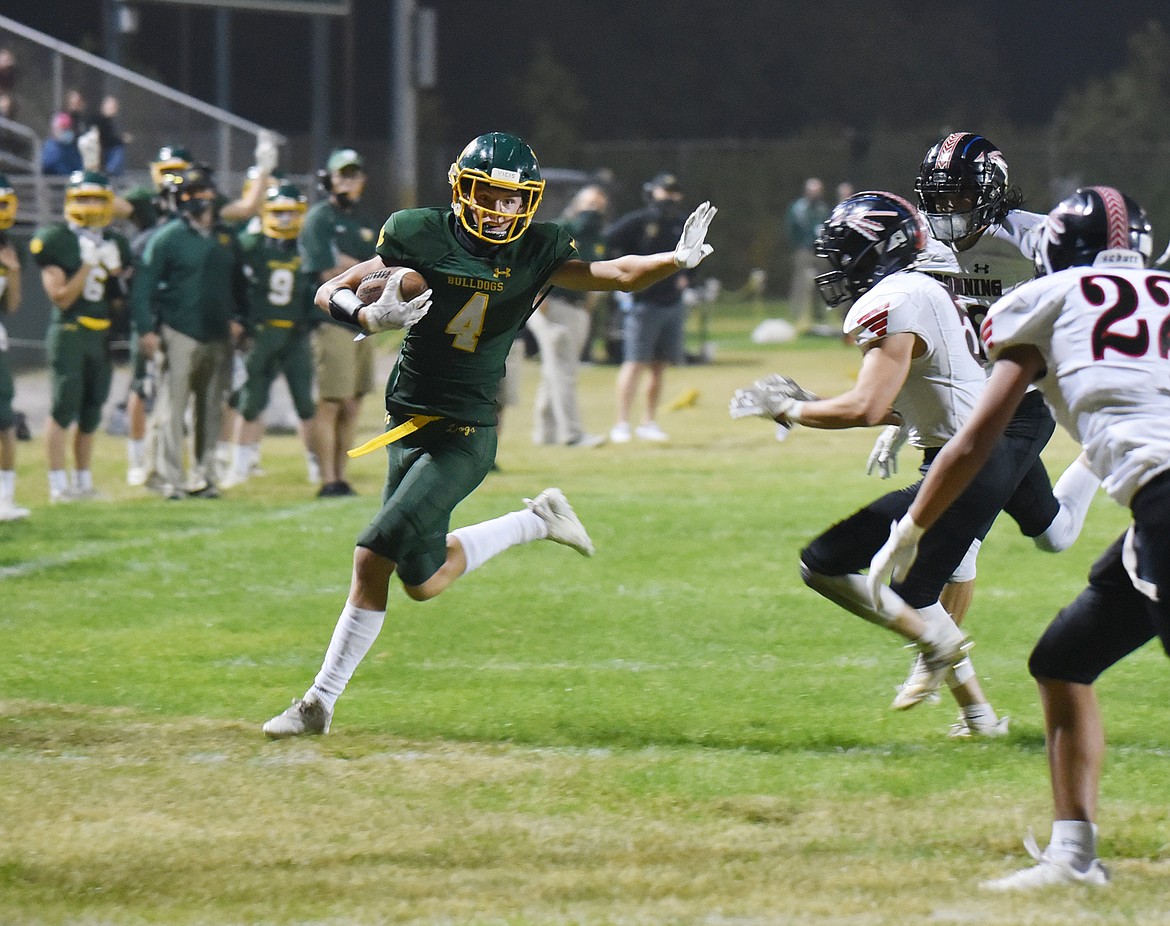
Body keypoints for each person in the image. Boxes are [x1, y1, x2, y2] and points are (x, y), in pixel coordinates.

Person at [262, 131, 716, 738]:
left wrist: (675, 261)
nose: (503, 211)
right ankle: (537, 520)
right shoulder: (420, 235)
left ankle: (318, 703)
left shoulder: (536, 251)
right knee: (421, 580)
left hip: (465, 431)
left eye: (514, 200)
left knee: (372, 553)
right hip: (407, 419)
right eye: (491, 196)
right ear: (461, 189)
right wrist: (370, 314)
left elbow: (618, 272)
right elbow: (329, 291)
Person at [868, 186, 1159, 891]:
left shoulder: (1047, 299)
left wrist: (910, 527)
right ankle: (1074, 857)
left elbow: (973, 441)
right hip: (1155, 512)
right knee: (1063, 660)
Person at [732, 191, 1018, 736]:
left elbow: (864, 407)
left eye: (844, 253)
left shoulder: (896, 297)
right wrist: (810, 405)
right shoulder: (921, 289)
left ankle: (935, 646)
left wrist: (790, 407)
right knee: (923, 587)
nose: (835, 267)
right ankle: (978, 716)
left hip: (960, 466)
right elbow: (897, 401)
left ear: (876, 251)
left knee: (822, 563)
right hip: (977, 459)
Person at [872, 133, 1101, 720]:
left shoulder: (1036, 238)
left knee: (954, 533)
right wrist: (902, 410)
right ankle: (1095, 459)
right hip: (961, 400)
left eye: (960, 197)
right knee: (1052, 534)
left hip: (1024, 402)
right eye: (937, 198)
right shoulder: (922, 244)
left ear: (992, 195)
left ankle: (939, 659)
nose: (946, 212)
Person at [130, 165, 247, 500]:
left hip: (218, 331)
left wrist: (242, 319)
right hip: (179, 329)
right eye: (190, 194)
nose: (196, 200)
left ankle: (205, 476)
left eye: (200, 192)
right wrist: (146, 329)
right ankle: (168, 478)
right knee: (172, 407)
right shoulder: (168, 237)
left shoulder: (226, 237)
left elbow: (240, 284)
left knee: (211, 408)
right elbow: (143, 287)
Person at [29, 170, 131, 502]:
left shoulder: (114, 241)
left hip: (100, 335)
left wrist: (115, 276)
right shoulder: (57, 238)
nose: (90, 205)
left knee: (91, 411)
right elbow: (59, 296)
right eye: (83, 198)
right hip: (70, 331)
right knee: (63, 408)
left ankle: (83, 482)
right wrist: (87, 264)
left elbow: (116, 302)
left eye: (97, 199)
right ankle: (59, 485)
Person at [220, 182, 318, 487]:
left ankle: (317, 465)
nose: (286, 219)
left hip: (296, 334)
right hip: (260, 333)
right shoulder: (250, 244)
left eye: (291, 213)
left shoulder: (307, 246)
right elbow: (232, 285)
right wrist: (238, 319)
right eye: (279, 213)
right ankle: (240, 465)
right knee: (250, 401)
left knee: (305, 403)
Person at [298, 148, 378, 497]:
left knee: (354, 402)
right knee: (331, 402)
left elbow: (383, 269)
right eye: (342, 174)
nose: (349, 181)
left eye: (354, 174)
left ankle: (342, 476)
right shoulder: (319, 218)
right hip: (331, 320)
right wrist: (366, 268)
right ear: (328, 179)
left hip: (364, 321)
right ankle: (327, 478)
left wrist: (357, 267)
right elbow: (328, 270)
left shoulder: (366, 220)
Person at [607, 172, 699, 443]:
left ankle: (648, 421)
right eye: (664, 191)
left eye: (674, 192)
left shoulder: (683, 224)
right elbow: (609, 242)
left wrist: (687, 278)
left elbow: (697, 254)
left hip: (672, 302)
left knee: (659, 366)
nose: (669, 197)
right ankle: (621, 423)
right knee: (634, 363)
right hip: (643, 303)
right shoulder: (639, 221)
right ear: (652, 192)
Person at [526, 183, 609, 448]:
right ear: (577, 204)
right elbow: (531, 262)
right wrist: (538, 296)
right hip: (550, 302)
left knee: (556, 370)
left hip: (577, 307)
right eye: (590, 204)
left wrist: (590, 300)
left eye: (599, 206)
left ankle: (545, 433)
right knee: (565, 368)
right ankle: (572, 434)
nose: (594, 211)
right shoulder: (560, 229)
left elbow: (597, 269)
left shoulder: (596, 236)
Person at [0, 174, 28, 520]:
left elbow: (12, 306)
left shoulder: (8, 246)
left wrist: (15, 272)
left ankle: (4, 500)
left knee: (4, 421)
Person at [784, 177, 832, 336]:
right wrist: (798, 245)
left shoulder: (823, 208)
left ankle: (819, 315)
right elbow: (791, 229)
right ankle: (796, 314)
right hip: (803, 250)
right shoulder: (797, 208)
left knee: (821, 284)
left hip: (819, 250)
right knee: (800, 284)